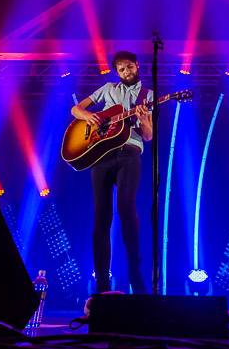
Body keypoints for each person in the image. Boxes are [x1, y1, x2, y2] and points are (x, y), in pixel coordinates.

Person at [70, 51, 153, 295]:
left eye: (129, 67)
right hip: (101, 155)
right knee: (101, 217)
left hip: (130, 153)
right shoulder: (108, 89)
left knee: (126, 209)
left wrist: (143, 120)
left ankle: (135, 277)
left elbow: (148, 136)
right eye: (122, 69)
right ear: (117, 72)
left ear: (137, 66)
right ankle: (102, 286)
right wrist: (89, 116)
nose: (126, 72)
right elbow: (76, 109)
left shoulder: (147, 96)